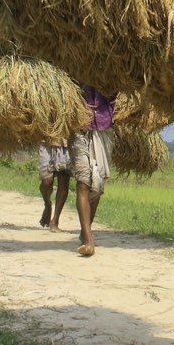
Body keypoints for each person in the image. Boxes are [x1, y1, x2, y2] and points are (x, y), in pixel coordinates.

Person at [67, 84, 115, 257]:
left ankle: (84, 230)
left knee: (97, 187)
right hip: (79, 127)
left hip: (104, 127)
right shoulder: (74, 67)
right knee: (83, 183)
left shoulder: (109, 70)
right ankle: (88, 240)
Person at [37, 141, 70, 231]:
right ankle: (48, 204)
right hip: (46, 140)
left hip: (66, 142)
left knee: (63, 180)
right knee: (47, 182)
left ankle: (55, 220)